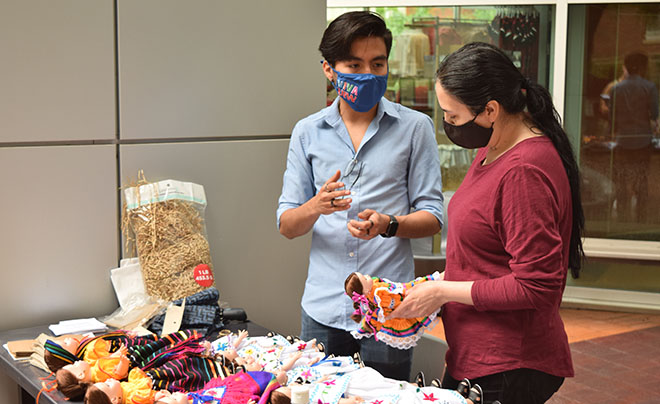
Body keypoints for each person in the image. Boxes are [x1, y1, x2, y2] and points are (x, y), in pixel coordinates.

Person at [389, 42, 585, 404]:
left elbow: (536, 286)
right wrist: (433, 287)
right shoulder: (493, 146)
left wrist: (442, 292)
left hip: (509, 363)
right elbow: (488, 259)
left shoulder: (523, 171)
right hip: (479, 355)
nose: (446, 124)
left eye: (452, 116)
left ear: (490, 110)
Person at [276, 10, 444, 381]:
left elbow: (433, 216)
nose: (368, 73)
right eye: (354, 64)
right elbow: (288, 225)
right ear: (328, 69)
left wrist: (390, 225)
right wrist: (316, 206)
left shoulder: (415, 128)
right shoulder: (307, 133)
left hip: (389, 307)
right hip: (324, 309)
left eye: (377, 63)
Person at [607, 51, 659, 222]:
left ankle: (622, 216)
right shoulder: (650, 87)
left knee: (621, 180)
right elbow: (654, 114)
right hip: (643, 140)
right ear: (642, 67)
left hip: (623, 140)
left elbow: (612, 118)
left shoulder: (615, 89)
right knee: (641, 179)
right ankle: (641, 217)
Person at [344, 271, 441, 349]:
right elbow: (393, 301)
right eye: (365, 278)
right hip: (403, 299)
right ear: (365, 291)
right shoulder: (378, 294)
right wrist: (401, 294)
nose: (367, 276)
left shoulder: (373, 289)